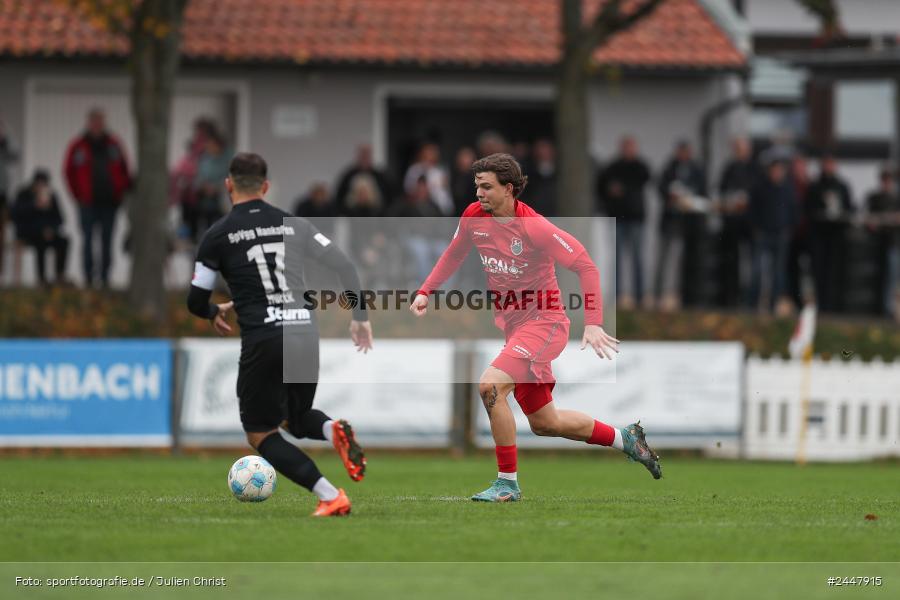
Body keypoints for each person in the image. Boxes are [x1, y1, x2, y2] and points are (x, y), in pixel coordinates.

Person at [410, 153, 661, 503]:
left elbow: (586, 265)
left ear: (509, 189)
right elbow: (454, 253)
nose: (478, 194)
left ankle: (507, 484)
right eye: (476, 186)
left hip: (545, 324)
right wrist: (425, 292)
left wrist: (593, 323)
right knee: (546, 423)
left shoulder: (534, 226)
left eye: (486, 187)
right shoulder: (473, 217)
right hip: (516, 330)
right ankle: (626, 439)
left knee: (490, 386)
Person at [187, 152, 373, 517]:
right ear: (266, 186)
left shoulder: (218, 235)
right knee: (297, 419)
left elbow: (195, 300)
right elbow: (344, 266)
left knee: (260, 432)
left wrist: (213, 311)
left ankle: (329, 495)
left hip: (265, 337)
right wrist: (359, 315)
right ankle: (334, 428)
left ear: (228, 185)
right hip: (304, 330)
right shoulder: (294, 225)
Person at [63, 108, 131, 288]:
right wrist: (78, 195)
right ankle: (88, 277)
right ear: (89, 123)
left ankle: (105, 278)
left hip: (110, 203)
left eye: (100, 121)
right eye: (94, 121)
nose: (97, 125)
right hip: (87, 203)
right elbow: (69, 172)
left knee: (107, 241)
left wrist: (120, 192)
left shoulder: (114, 144)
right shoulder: (78, 146)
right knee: (87, 240)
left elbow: (125, 170)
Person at [596, 136, 651, 309]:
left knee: (637, 258)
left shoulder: (640, 166)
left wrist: (623, 189)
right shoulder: (613, 167)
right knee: (616, 260)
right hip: (618, 219)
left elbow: (644, 179)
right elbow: (601, 187)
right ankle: (617, 296)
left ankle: (640, 296)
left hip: (635, 219)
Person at [654, 140, 707, 312]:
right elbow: (661, 187)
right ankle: (659, 294)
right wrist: (671, 197)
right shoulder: (670, 168)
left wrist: (689, 200)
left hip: (689, 224)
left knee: (683, 261)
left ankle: (680, 294)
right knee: (663, 259)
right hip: (670, 221)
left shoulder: (696, 169)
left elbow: (703, 191)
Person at [747, 159, 797, 312]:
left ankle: (773, 305)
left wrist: (789, 228)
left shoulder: (788, 190)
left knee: (778, 272)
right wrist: (755, 228)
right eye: (774, 170)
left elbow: (794, 211)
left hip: (781, 235)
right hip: (763, 234)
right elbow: (752, 210)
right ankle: (753, 304)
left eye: (780, 170)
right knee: (757, 271)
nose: (777, 173)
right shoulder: (760, 188)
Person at [806, 156, 853, 312]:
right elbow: (807, 210)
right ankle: (821, 305)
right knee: (819, 272)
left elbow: (850, 209)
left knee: (834, 273)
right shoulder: (814, 186)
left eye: (831, 164)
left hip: (836, 237)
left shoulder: (842, 186)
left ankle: (835, 306)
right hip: (819, 236)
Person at [716, 137, 757, 308]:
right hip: (731, 224)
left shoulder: (755, 170)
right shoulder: (729, 168)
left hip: (749, 225)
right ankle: (729, 298)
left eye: (742, 149)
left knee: (751, 264)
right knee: (731, 262)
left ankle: (748, 299)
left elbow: (758, 194)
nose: (739, 152)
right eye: (737, 149)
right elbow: (722, 191)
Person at [11, 170, 69, 286]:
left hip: (48, 233)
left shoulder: (51, 197)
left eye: (44, 184)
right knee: (41, 242)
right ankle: (41, 278)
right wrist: (34, 205)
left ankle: (59, 275)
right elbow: (16, 214)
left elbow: (60, 219)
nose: (41, 187)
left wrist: (51, 229)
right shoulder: (24, 194)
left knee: (64, 241)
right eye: (39, 184)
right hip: (28, 233)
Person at [865, 166, 900, 318]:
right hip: (877, 244)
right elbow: (869, 219)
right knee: (879, 277)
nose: (887, 183)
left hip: (893, 243)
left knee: (891, 278)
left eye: (889, 180)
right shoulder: (874, 198)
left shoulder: (896, 199)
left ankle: (887, 309)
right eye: (884, 180)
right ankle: (879, 307)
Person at [333, 144, 393, 216]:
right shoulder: (348, 175)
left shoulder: (380, 176)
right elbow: (339, 198)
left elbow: (388, 198)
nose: (364, 157)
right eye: (363, 154)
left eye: (367, 154)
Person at [403, 142, 455, 216]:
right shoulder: (414, 170)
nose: (431, 156)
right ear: (422, 154)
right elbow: (408, 189)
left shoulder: (440, 171)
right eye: (429, 153)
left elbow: (445, 190)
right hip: (421, 209)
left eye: (433, 153)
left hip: (443, 209)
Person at [0, 119, 19, 281]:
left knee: (1, 236)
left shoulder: (7, 146)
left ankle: (1, 274)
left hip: (2, 197)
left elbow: (16, 155)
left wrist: (5, 139)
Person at [520, 138, 558, 217]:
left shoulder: (561, 173)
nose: (542, 153)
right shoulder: (528, 175)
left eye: (546, 149)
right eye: (539, 150)